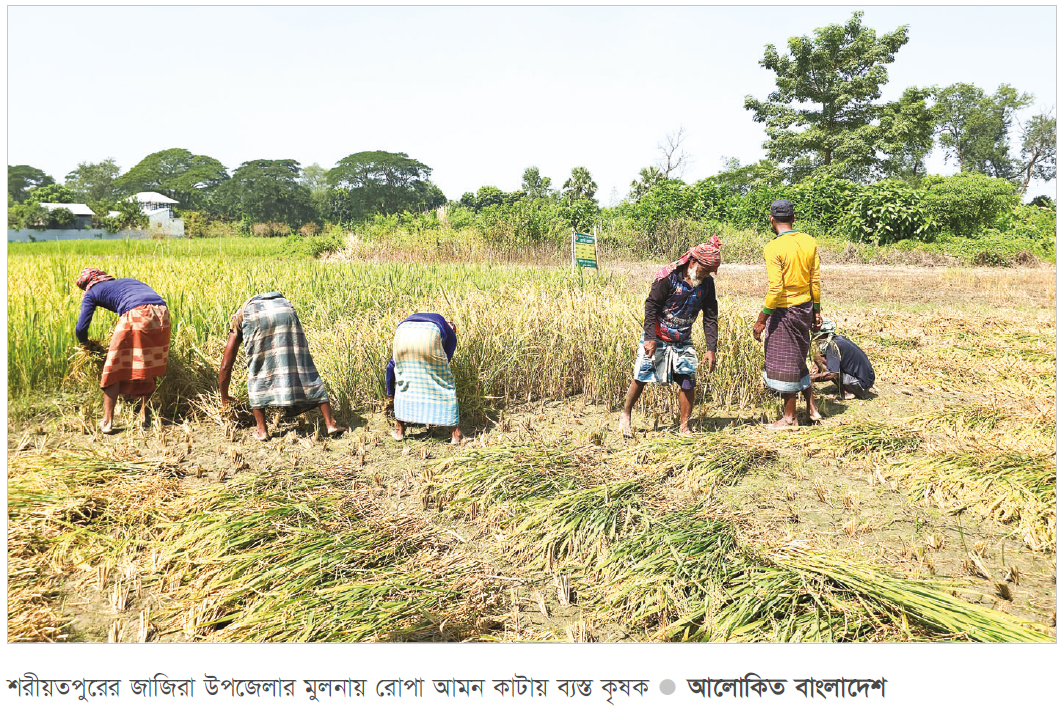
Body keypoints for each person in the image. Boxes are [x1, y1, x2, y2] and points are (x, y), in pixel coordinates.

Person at [619, 238, 721, 438]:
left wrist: (711, 348)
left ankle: (684, 426)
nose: (707, 275)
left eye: (710, 272)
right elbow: (651, 307)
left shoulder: (706, 283)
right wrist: (649, 337)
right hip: (657, 335)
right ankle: (625, 414)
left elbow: (710, 315)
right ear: (693, 262)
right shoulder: (668, 277)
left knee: (687, 379)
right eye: (705, 270)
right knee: (641, 376)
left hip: (682, 337)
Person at [218, 292, 344, 441]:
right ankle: (331, 424)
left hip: (255, 317)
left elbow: (226, 365)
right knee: (303, 365)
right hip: (285, 310)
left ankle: (262, 431)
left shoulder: (239, 320)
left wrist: (224, 397)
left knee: (257, 370)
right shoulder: (261, 307)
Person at [752, 200, 823, 429]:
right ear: (794, 218)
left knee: (785, 363)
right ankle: (812, 408)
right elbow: (815, 281)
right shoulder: (809, 242)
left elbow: (776, 288)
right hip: (805, 307)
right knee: (798, 357)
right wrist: (817, 311)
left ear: (772, 220)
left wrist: (762, 319)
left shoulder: (773, 248)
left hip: (784, 310)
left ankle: (789, 418)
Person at [75, 267, 171, 433]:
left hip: (138, 314)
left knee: (113, 367)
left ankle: (107, 422)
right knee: (148, 365)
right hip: (162, 314)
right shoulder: (126, 281)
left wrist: (85, 344)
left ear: (87, 285)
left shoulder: (92, 292)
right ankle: (145, 415)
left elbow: (81, 327)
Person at [386, 313, 463, 445]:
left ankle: (399, 430)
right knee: (445, 382)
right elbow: (445, 363)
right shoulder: (449, 331)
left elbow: (391, 366)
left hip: (402, 332)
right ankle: (456, 434)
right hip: (430, 333)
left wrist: (390, 393)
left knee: (403, 377)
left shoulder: (419, 319)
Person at [810, 318, 876, 399]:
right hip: (866, 380)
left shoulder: (832, 346)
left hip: (861, 385)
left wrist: (810, 379)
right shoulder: (837, 339)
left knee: (821, 360)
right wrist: (816, 367)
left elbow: (832, 374)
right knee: (819, 357)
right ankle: (847, 388)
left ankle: (847, 392)